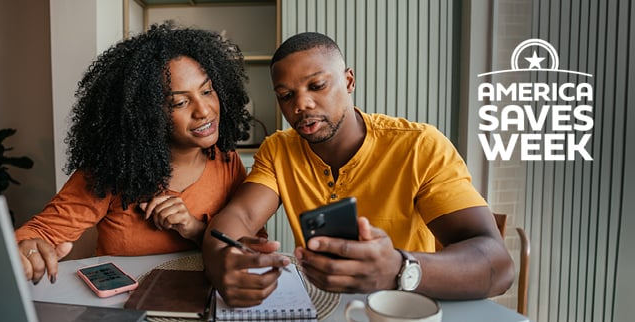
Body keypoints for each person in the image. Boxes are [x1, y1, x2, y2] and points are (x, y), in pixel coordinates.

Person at [202, 32, 515, 307]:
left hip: (407, 309)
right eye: (286, 96)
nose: (302, 104)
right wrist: (220, 263)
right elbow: (240, 217)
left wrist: (396, 267)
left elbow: (498, 265)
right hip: (323, 308)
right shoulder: (278, 149)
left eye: (317, 85)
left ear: (349, 80)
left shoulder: (420, 146)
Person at [16, 22, 253, 285]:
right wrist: (28, 249)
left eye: (207, 91)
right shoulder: (111, 170)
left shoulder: (227, 161)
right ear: (146, 113)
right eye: (179, 102)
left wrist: (195, 229)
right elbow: (40, 232)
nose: (204, 110)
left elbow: (251, 246)